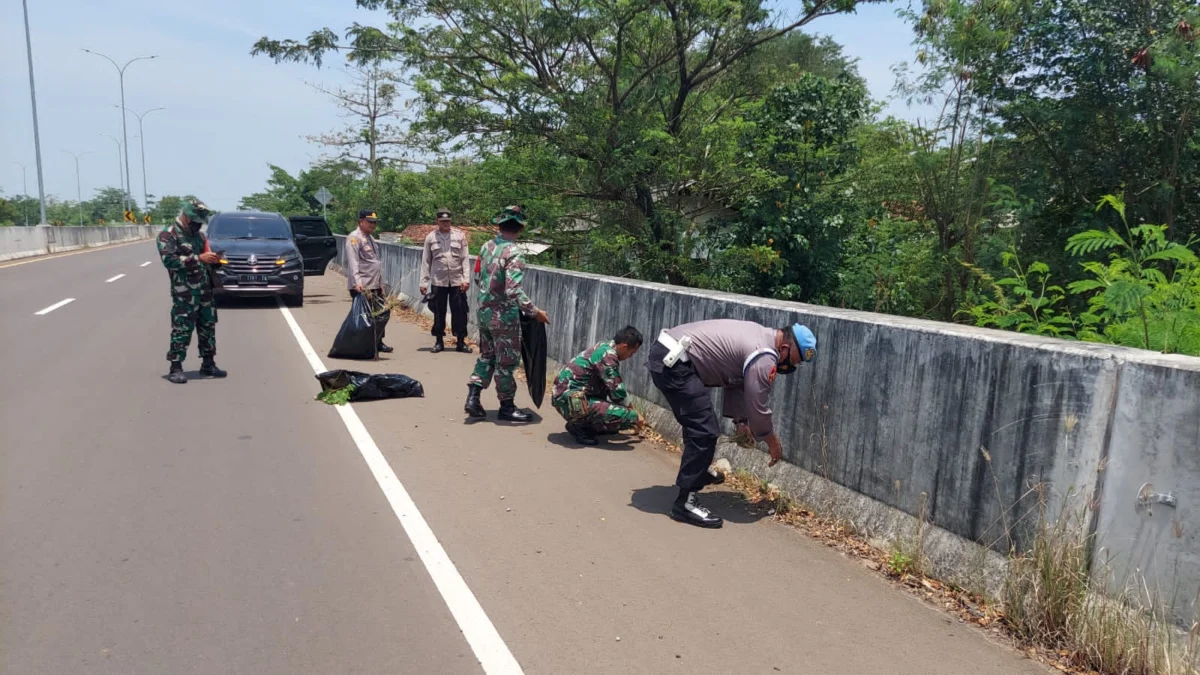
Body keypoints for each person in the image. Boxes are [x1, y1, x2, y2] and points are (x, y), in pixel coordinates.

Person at [645, 319, 817, 529]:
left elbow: (736, 381)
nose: (792, 367)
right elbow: (758, 408)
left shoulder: (761, 335)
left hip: (671, 353)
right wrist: (771, 441)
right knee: (705, 430)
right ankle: (685, 504)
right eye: (794, 361)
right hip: (675, 362)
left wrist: (741, 421)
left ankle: (698, 470)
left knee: (699, 421)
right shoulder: (764, 356)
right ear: (785, 348)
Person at [464, 205, 550, 422]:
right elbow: (513, 290)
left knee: (487, 355)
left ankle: (473, 396)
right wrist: (535, 311)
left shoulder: (486, 247)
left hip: (484, 312)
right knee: (506, 361)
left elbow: (477, 277)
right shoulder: (514, 252)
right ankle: (507, 406)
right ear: (520, 228)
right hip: (503, 317)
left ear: (500, 225)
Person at [158, 197, 226, 384]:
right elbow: (169, 261)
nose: (198, 226)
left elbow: (206, 256)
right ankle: (176, 367)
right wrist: (199, 258)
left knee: (207, 327)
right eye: (195, 221)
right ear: (186, 216)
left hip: (205, 290)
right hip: (184, 293)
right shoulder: (168, 235)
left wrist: (214, 260)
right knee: (182, 328)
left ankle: (208, 363)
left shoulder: (200, 236)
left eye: (200, 222)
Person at [551, 326, 645, 446]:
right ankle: (580, 426)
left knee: (616, 415)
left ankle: (585, 424)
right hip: (569, 400)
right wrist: (635, 414)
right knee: (629, 417)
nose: (630, 356)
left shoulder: (604, 347)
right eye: (632, 352)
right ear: (624, 346)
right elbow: (617, 391)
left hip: (569, 397)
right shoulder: (608, 356)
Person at [419, 208, 472, 354]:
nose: (445, 224)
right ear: (437, 221)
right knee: (439, 312)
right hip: (439, 281)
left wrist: (466, 279)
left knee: (460, 312)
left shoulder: (460, 236)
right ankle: (439, 341)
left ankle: (461, 342)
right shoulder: (431, 238)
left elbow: (465, 259)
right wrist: (423, 282)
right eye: (442, 221)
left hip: (457, 281)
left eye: (447, 221)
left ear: (451, 221)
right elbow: (426, 261)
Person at [345, 208, 391, 353]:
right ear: (361, 221)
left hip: (374, 284)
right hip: (363, 285)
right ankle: (363, 343)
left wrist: (380, 284)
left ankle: (378, 341)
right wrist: (358, 283)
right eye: (369, 222)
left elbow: (375, 262)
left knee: (379, 313)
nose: (373, 225)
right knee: (365, 316)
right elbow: (353, 262)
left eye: (374, 223)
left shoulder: (370, 237)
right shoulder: (354, 238)